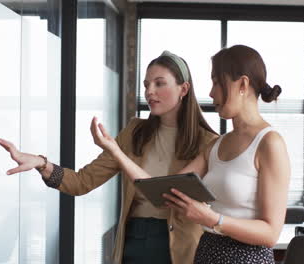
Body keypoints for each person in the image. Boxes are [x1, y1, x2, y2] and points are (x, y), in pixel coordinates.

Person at [0, 51, 218, 264]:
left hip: (184, 249)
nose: (150, 91)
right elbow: (82, 182)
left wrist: (117, 152)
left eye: (159, 83)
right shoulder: (134, 131)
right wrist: (42, 163)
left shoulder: (208, 143)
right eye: (146, 85)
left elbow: (167, 197)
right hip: (135, 240)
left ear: (184, 89)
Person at [91, 45, 290, 264]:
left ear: (242, 84)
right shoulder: (217, 145)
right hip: (206, 254)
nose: (212, 93)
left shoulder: (270, 143)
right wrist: (115, 151)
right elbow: (162, 192)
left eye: (216, 82)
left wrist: (211, 218)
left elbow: (270, 234)